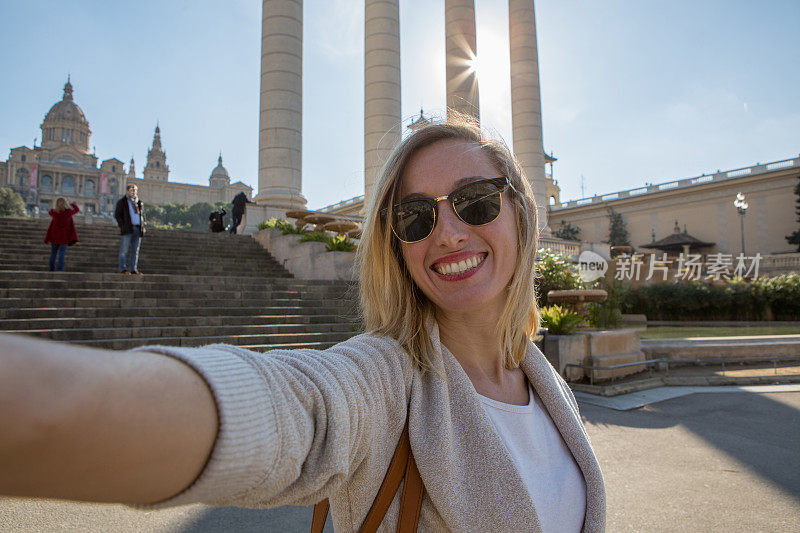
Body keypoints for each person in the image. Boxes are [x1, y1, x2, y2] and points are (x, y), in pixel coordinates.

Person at [0, 118, 605, 532]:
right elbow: (289, 410)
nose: (447, 232)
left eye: (475, 200)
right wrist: (45, 403)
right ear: (395, 247)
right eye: (416, 216)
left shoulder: (544, 381)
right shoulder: (380, 382)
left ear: (522, 213)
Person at [114, 184, 145, 275]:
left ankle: (133, 269)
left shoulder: (139, 203)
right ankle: (123, 268)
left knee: (135, 251)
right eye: (131, 190)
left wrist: (143, 226)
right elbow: (117, 215)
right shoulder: (122, 202)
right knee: (124, 250)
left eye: (135, 190)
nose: (133, 192)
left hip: (137, 229)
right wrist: (123, 226)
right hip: (128, 229)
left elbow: (142, 215)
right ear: (127, 191)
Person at [43, 197, 79, 272]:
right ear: (65, 204)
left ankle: (51, 269)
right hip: (64, 237)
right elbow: (77, 209)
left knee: (53, 253)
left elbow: (49, 212)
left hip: (54, 236)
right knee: (61, 254)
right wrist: (70, 203)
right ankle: (59, 269)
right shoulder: (68, 212)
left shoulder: (54, 212)